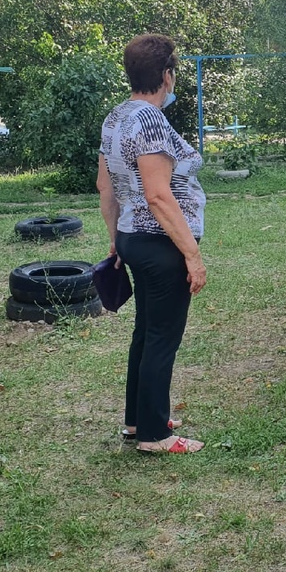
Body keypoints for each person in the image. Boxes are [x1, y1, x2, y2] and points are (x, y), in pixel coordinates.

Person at [97, 33, 205, 454]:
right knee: (162, 336)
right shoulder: (149, 120)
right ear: (166, 76)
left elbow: (105, 186)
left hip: (133, 237)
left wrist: (115, 240)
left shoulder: (116, 117)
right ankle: (156, 435)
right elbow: (159, 196)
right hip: (160, 244)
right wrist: (192, 256)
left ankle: (137, 419)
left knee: (146, 332)